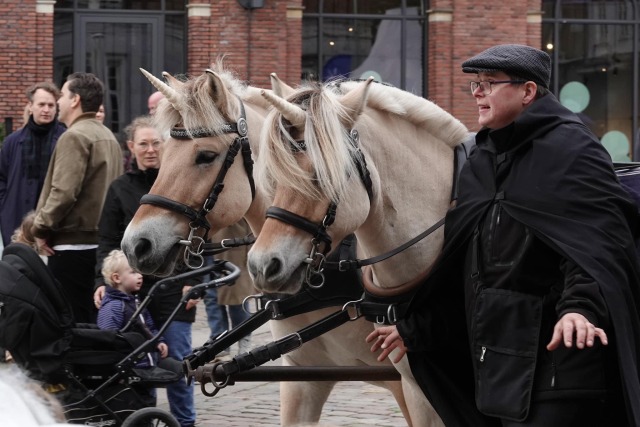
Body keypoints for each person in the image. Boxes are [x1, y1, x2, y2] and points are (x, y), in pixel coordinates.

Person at [367, 44, 640, 426]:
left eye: (489, 83)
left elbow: (599, 244)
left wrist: (581, 308)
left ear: (528, 91)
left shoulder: (572, 150)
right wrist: (418, 327)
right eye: (475, 84)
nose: (477, 92)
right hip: (496, 364)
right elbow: (467, 266)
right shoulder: (482, 160)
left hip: (563, 361)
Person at [92, 115, 199, 427]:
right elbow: (108, 239)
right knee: (139, 364)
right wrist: (102, 278)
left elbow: (199, 236)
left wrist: (193, 282)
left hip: (174, 288)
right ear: (131, 147)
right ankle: (144, 421)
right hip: (132, 294)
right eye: (143, 144)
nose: (150, 149)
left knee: (178, 362)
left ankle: (184, 422)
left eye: (156, 143)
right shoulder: (119, 188)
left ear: (165, 145)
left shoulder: (180, 185)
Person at [31, 72, 123, 324]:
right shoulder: (109, 137)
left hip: (72, 248)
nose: (58, 101)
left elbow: (63, 192)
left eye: (62, 95)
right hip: (101, 246)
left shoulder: (74, 136)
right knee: (97, 323)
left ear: (75, 100)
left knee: (71, 325)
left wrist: (40, 227)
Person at [97, 249, 169, 406]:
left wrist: (158, 341)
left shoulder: (136, 301)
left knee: (148, 404)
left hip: (146, 369)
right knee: (134, 407)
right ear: (117, 278)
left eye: (140, 272)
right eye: (133, 272)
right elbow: (108, 337)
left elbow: (148, 327)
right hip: (129, 371)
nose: (140, 275)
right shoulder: (114, 306)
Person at [0, 82, 66, 247]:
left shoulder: (65, 139)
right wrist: (5, 208)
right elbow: (1, 177)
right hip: (15, 220)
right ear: (30, 106)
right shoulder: (12, 142)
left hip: (52, 225)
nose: (46, 109)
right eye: (41, 104)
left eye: (51, 105)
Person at [204, 219, 255, 358]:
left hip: (233, 246)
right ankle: (219, 339)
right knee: (211, 298)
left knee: (238, 300)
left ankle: (244, 338)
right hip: (208, 245)